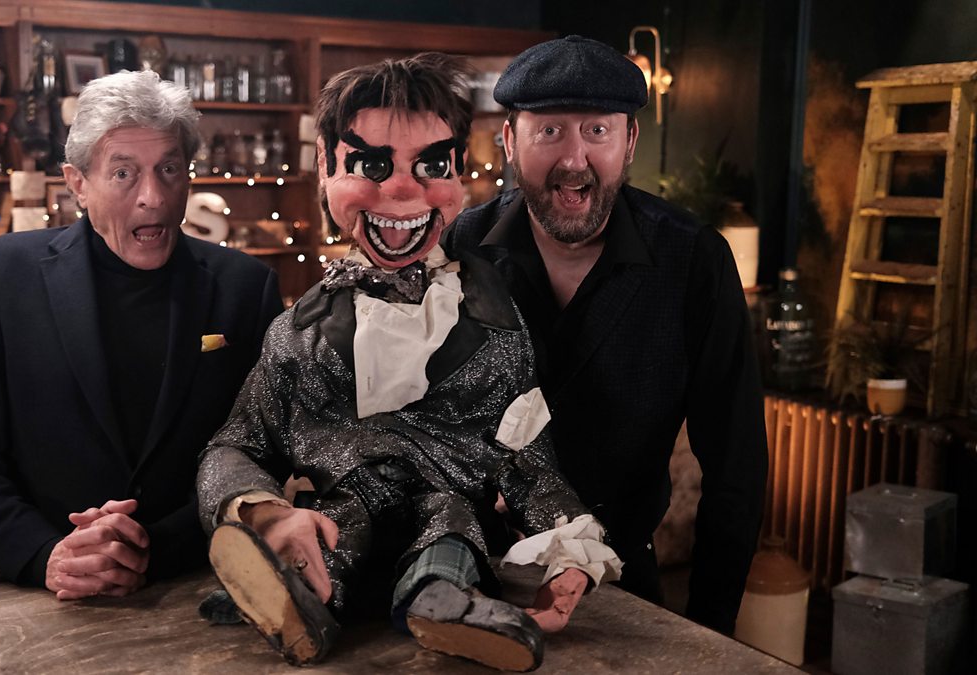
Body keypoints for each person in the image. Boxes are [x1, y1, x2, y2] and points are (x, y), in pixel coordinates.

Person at [197, 53, 621, 672]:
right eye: (370, 164)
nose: (401, 189)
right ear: (326, 168)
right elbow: (234, 445)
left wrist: (572, 553)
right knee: (333, 528)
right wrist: (264, 512)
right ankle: (304, 598)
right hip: (336, 531)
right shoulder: (296, 338)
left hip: (455, 530)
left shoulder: (498, 327)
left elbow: (527, 458)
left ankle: (439, 598)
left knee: (448, 517)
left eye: (432, 166)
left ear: (459, 171)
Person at [444, 35, 768, 635]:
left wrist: (708, 629)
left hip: (622, 581)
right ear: (510, 141)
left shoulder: (694, 260)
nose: (575, 159)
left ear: (629, 141)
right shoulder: (460, 247)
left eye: (597, 131)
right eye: (549, 131)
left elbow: (735, 467)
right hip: (470, 569)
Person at [0, 70, 284, 600]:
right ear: (78, 184)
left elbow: (265, 452)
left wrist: (152, 548)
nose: (153, 197)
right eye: (123, 173)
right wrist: (45, 554)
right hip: (44, 589)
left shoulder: (246, 287)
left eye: (169, 169)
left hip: (199, 581)